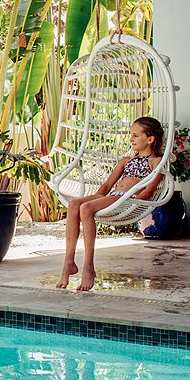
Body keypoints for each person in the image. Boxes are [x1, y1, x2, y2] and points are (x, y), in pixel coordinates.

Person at [56, 116, 166, 291]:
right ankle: (68, 262)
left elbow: (149, 190)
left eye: (136, 135)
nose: (131, 139)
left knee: (86, 208)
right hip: (114, 196)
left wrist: (136, 200)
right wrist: (95, 199)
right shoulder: (126, 161)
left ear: (150, 139)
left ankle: (88, 267)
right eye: (131, 135)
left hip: (128, 200)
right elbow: (106, 186)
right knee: (74, 204)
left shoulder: (156, 162)